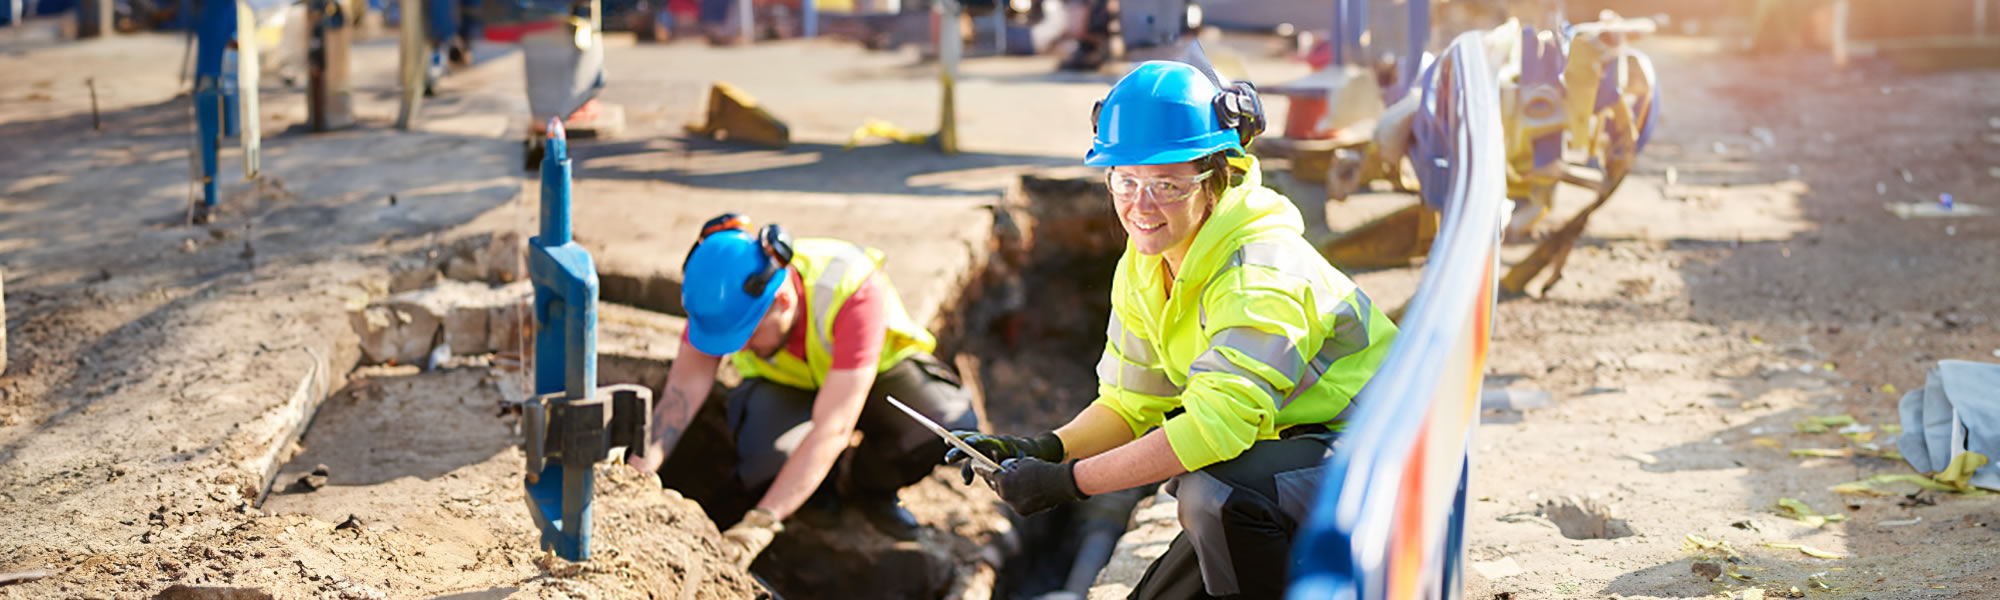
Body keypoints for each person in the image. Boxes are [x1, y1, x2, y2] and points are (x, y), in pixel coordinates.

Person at [947, 61, 1399, 598]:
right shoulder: (1149, 260)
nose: (1141, 205)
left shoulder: (1260, 272)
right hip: (1286, 460)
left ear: (1218, 177)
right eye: (1125, 179)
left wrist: (1067, 484)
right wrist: (1047, 448)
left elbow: (1215, 430)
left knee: (1213, 493)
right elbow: (1129, 403)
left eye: (1167, 183)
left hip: (1382, 458)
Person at [628, 213, 978, 567]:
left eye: (745, 337)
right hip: (788, 386)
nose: (739, 349)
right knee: (766, 460)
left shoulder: (850, 288)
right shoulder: (721, 299)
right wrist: (635, 477)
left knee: (943, 425)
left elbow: (833, 428)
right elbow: (681, 394)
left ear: (780, 301)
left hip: (874, 380)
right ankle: (813, 500)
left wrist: (760, 522)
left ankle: (864, 487)